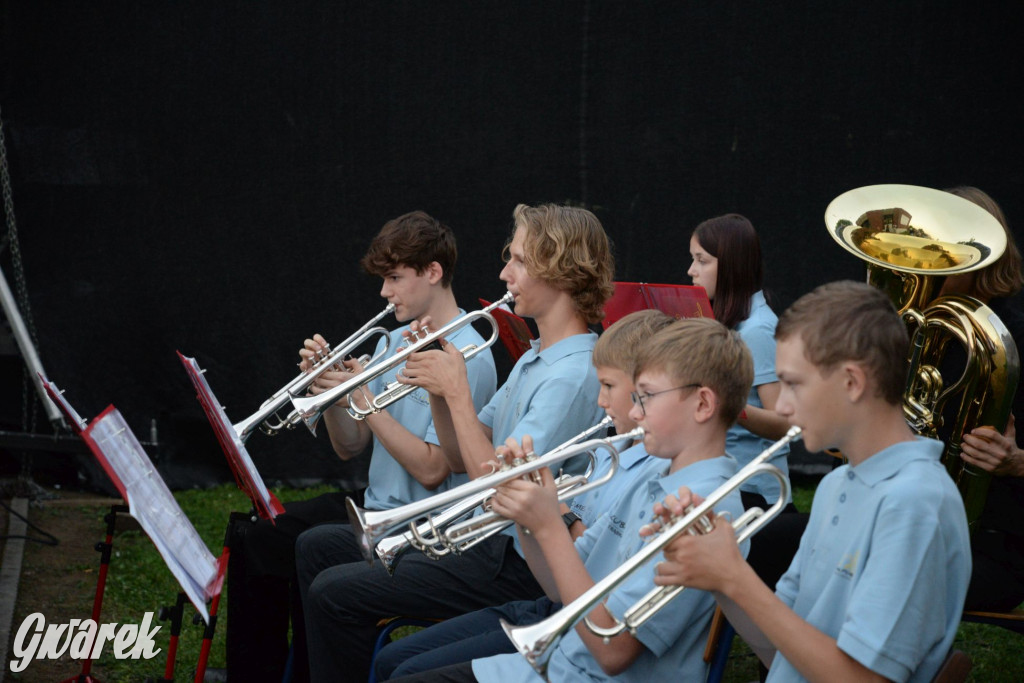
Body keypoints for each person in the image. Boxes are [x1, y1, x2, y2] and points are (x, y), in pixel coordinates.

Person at [297, 202, 616, 683]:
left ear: (563, 271)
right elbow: (459, 453)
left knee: (333, 592)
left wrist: (457, 394)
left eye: (519, 260)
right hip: (487, 543)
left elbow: (500, 487)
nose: (505, 271)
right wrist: (439, 389)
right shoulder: (537, 357)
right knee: (318, 553)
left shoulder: (573, 373)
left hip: (512, 557)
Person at [385, 316, 753, 682]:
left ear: (703, 404)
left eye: (647, 397)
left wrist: (550, 524)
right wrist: (528, 518)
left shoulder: (702, 507)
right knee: (398, 668)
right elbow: (558, 587)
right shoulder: (660, 476)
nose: (636, 412)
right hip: (561, 657)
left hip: (585, 671)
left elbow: (613, 651)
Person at [651, 281, 972, 682]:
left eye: (794, 384)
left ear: (852, 382)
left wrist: (735, 576)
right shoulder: (837, 485)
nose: (781, 406)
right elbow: (778, 652)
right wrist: (716, 574)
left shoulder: (914, 502)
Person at [225, 210, 497, 683]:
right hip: (377, 516)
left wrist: (366, 401)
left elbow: (434, 469)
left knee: (313, 561)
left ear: (433, 272)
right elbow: (350, 446)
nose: (384, 293)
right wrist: (329, 392)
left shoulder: (467, 354)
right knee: (292, 543)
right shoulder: (393, 341)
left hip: (422, 530)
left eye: (394, 278)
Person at [938, 185, 1024, 612]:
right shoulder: (915, 329)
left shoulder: (1017, 339)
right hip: (908, 522)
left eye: (943, 250)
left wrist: (1017, 461)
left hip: (997, 543)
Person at [687, 214, 793, 511]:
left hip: (752, 492)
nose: (691, 270)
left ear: (731, 265)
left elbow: (786, 424)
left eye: (702, 260)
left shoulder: (757, 330)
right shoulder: (726, 320)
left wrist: (728, 404)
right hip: (724, 480)